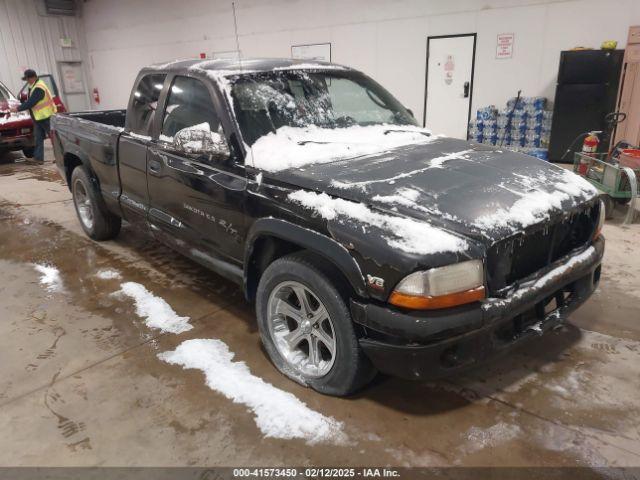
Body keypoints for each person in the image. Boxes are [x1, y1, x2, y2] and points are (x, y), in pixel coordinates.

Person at [10, 69, 57, 163]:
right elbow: (29, 100)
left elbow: (32, 102)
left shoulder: (39, 87)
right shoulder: (34, 85)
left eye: (28, 79)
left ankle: (60, 158)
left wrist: (18, 109)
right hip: (38, 117)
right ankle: (38, 158)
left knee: (54, 138)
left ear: (33, 77)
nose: (27, 81)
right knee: (38, 138)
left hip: (46, 116)